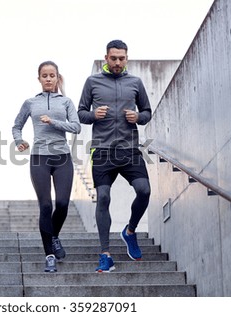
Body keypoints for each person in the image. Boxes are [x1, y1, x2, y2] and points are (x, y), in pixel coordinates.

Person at [77, 40, 152, 273]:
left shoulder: (135, 83)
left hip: (129, 149)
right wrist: (93, 115)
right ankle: (105, 254)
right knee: (104, 197)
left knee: (144, 190)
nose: (118, 62)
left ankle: (130, 231)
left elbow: (148, 112)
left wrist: (138, 118)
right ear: (106, 58)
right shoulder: (93, 82)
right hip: (102, 149)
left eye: (121, 58)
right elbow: (81, 113)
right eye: (113, 58)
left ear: (126, 58)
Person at [12, 61, 81, 273]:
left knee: (62, 204)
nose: (48, 79)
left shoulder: (66, 102)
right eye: (45, 75)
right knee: (45, 206)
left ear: (57, 77)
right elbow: (16, 125)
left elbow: (76, 127)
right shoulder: (30, 103)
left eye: (52, 75)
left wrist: (54, 122)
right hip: (39, 158)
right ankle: (49, 254)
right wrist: (19, 141)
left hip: (62, 158)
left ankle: (54, 237)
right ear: (39, 78)